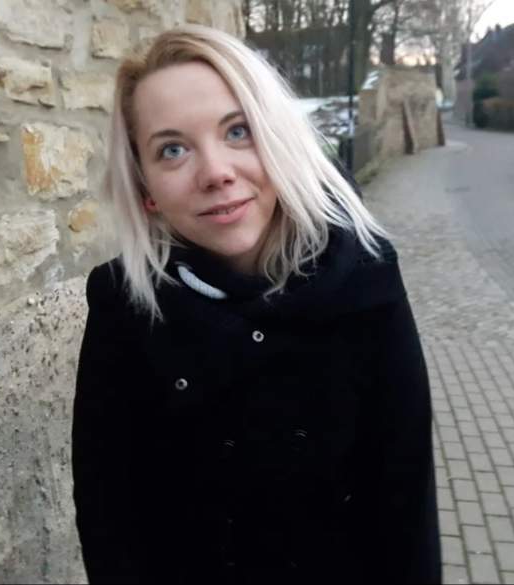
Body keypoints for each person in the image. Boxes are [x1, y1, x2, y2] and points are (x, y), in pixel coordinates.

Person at [71, 24, 441, 584]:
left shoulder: (364, 277)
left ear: (278, 139)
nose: (216, 172)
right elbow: (110, 516)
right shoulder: (125, 305)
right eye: (173, 150)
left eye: (238, 131)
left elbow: (404, 503)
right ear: (146, 190)